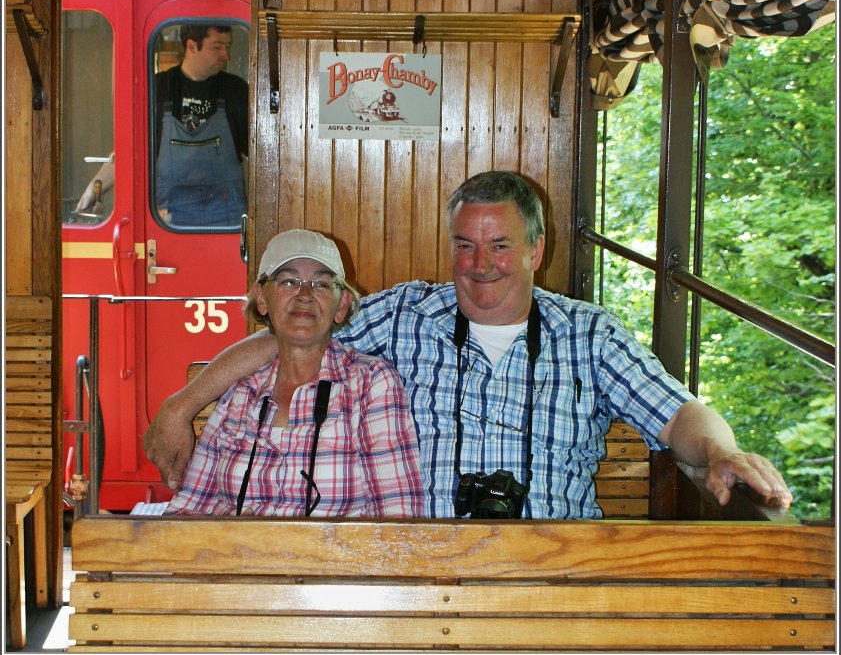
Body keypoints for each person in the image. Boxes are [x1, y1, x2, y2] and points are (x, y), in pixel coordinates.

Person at [145, 171, 792, 519]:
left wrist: (721, 452)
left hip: (553, 567)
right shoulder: (406, 314)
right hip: (431, 567)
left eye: (500, 245)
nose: (480, 265)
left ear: (536, 249)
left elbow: (677, 414)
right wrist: (180, 406)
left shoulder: (589, 334)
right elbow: (292, 334)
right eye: (465, 245)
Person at [165, 228, 424, 517]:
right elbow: (188, 508)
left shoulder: (370, 384)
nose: (304, 295)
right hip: (235, 546)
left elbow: (397, 518)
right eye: (288, 281)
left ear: (341, 305)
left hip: (332, 549)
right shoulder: (241, 390)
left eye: (321, 284)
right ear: (262, 298)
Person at [76, 24, 248, 227]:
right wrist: (93, 189)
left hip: (226, 224)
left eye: (227, 46)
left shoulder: (236, 90)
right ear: (192, 46)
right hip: (170, 223)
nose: (226, 55)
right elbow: (129, 151)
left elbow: (261, 156)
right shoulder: (157, 89)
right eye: (217, 47)